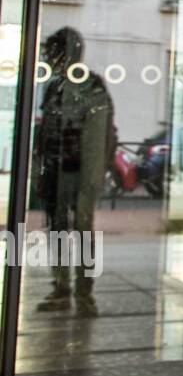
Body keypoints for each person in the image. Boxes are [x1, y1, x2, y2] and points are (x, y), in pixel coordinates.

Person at [32, 26, 114, 316]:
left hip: (81, 171)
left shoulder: (92, 86)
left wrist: (94, 175)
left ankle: (83, 291)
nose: (50, 59)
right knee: (56, 228)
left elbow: (102, 134)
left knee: (82, 230)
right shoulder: (53, 87)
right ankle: (61, 286)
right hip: (56, 170)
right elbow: (44, 130)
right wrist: (40, 168)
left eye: (54, 53)